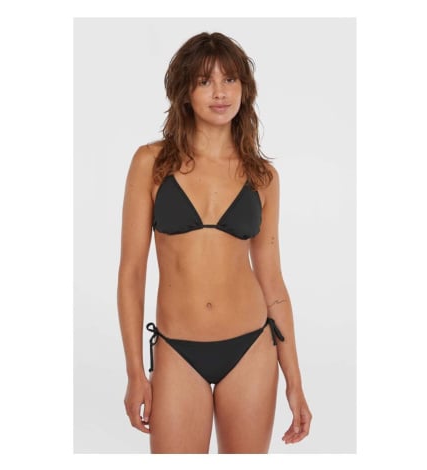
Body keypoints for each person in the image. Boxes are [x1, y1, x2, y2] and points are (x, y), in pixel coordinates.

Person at [117, 31, 312, 454]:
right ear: (185, 92)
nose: (220, 92)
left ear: (245, 88)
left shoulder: (263, 176)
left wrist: (295, 382)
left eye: (229, 80)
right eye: (205, 81)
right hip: (177, 350)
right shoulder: (151, 163)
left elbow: (273, 282)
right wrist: (135, 372)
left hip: (251, 348)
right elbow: (131, 274)